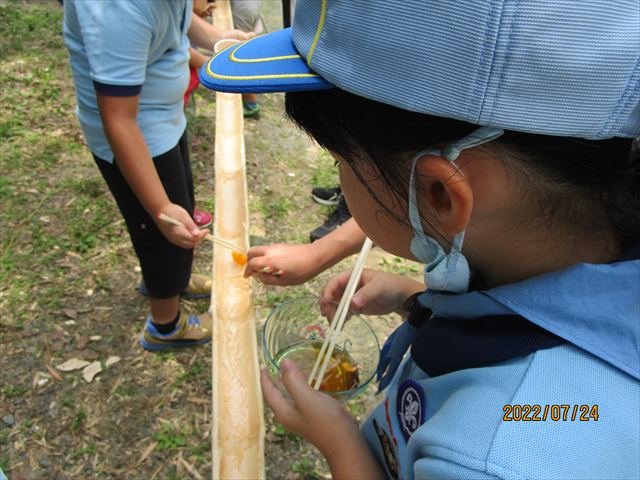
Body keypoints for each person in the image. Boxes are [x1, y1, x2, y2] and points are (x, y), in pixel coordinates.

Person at [200, 1, 640, 478]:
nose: (341, 176)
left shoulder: (498, 457)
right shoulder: (561, 248)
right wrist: (413, 300)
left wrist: (342, 443)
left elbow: (538, 422)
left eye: (340, 162)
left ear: (439, 194)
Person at [63, 0, 251, 351]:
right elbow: (119, 120)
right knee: (161, 234)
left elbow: (182, 24)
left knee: (182, 213)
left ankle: (175, 281)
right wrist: (160, 207)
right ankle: (166, 324)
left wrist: (222, 39)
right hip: (137, 138)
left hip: (162, 120)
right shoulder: (115, 10)